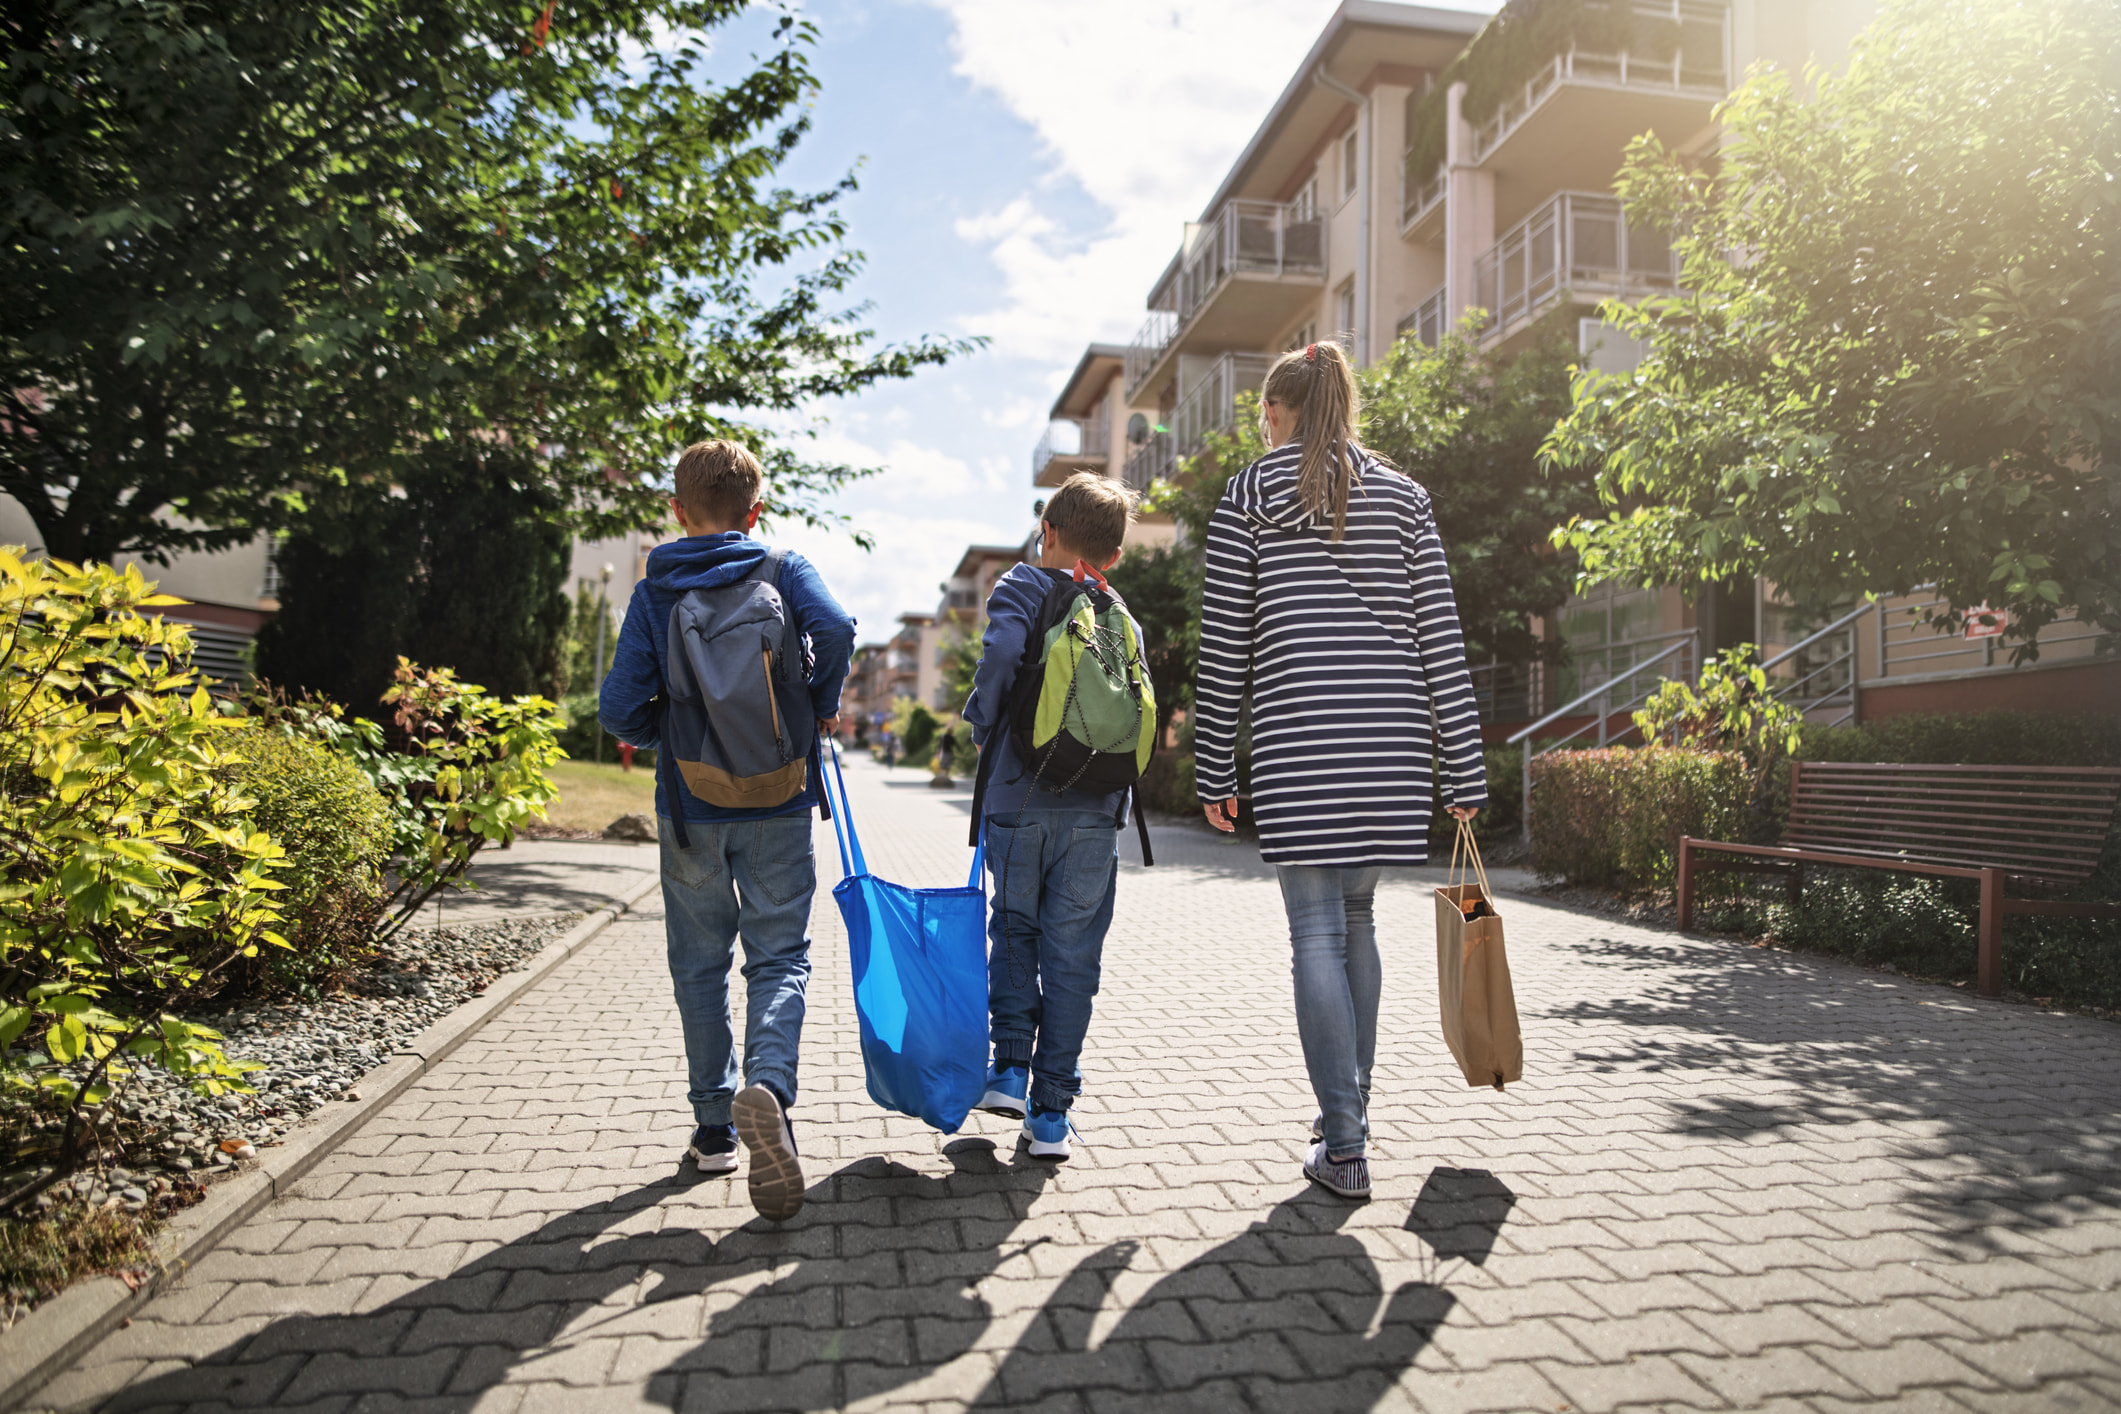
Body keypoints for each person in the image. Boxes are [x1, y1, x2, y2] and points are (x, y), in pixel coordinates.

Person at [1193, 343, 1485, 1201]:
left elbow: (1225, 645)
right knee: (1357, 919)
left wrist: (1214, 764)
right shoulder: (1404, 497)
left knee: (1314, 931)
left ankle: (1347, 1142)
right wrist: (1462, 765)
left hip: (1298, 738)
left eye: (1263, 415)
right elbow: (1441, 634)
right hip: (1391, 745)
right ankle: (1344, 1117)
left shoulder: (1249, 494)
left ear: (1277, 411)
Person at [599, 439, 855, 1221]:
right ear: (756, 511)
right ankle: (769, 1087)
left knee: (699, 966)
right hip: (779, 797)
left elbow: (616, 709)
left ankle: (713, 1132)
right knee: (779, 957)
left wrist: (670, 733)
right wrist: (814, 707)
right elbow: (838, 629)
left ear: (677, 512)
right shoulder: (784, 567)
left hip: (691, 809)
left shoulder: (656, 589)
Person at [961, 472, 1142, 1161]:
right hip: (1096, 809)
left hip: (1018, 795)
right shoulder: (1117, 610)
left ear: (1048, 531)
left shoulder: (1022, 586)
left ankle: (1008, 1070)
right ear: (1115, 553)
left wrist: (984, 723)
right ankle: (1051, 1116)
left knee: (1013, 928)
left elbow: (1003, 655)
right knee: (1073, 957)